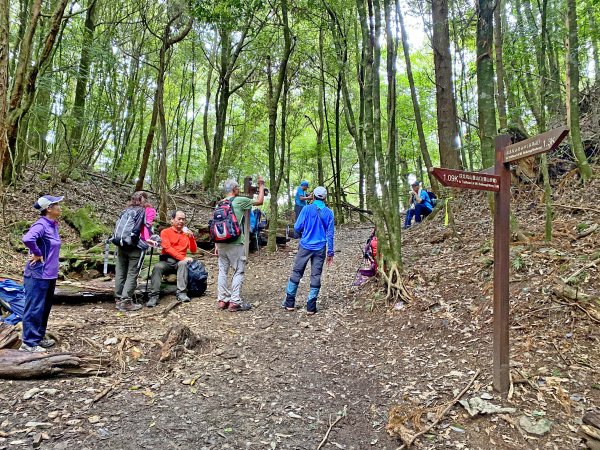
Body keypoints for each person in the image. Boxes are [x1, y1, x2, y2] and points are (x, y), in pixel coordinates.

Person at [20, 195, 64, 352]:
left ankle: (38, 337)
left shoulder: (53, 225)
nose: (60, 207)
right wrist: (37, 253)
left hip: (50, 275)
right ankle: (28, 343)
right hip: (38, 274)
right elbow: (28, 239)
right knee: (34, 308)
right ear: (48, 209)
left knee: (44, 308)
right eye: (56, 205)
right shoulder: (41, 225)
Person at [282, 186, 334, 315]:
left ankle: (289, 304)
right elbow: (330, 234)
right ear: (325, 197)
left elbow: (297, 226)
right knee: (316, 275)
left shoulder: (306, 209)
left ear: (313, 196)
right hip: (320, 248)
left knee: (297, 272)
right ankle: (311, 307)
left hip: (305, 246)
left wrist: (301, 233)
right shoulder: (329, 212)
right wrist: (330, 252)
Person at [216, 177, 265, 312]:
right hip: (235, 242)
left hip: (221, 243)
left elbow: (217, 225)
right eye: (237, 188)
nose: (239, 190)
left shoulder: (219, 204)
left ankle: (222, 300)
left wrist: (216, 244)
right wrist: (261, 185)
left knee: (222, 271)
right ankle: (234, 302)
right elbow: (260, 201)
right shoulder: (240, 201)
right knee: (239, 270)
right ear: (234, 189)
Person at [113, 192, 154, 312]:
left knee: (120, 271)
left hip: (121, 244)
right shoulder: (148, 210)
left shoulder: (126, 210)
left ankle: (118, 299)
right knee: (132, 273)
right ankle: (126, 301)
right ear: (145, 200)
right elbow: (147, 227)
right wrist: (148, 242)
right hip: (136, 246)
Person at [146, 210, 197, 307]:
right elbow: (168, 248)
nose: (181, 221)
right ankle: (154, 296)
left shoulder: (186, 234)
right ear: (172, 220)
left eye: (183, 219)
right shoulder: (165, 232)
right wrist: (183, 258)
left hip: (180, 262)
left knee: (183, 264)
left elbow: (193, 250)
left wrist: (191, 238)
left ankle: (182, 293)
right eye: (179, 219)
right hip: (167, 261)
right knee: (157, 267)